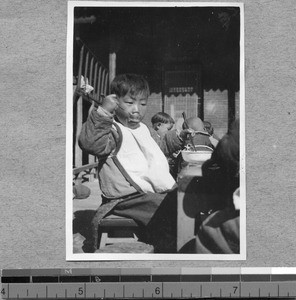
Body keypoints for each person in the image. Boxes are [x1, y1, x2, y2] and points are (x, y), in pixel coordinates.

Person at [78, 73, 192, 253]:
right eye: (130, 103)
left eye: (143, 103)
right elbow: (90, 144)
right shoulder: (113, 131)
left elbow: (157, 149)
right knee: (171, 209)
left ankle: (173, 242)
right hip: (126, 198)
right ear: (115, 102)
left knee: (182, 202)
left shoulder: (143, 129)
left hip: (147, 194)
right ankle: (171, 250)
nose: (136, 109)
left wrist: (178, 137)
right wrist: (103, 113)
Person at [150, 112, 179, 179]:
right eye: (168, 129)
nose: (168, 132)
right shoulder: (152, 137)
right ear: (158, 125)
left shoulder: (160, 137)